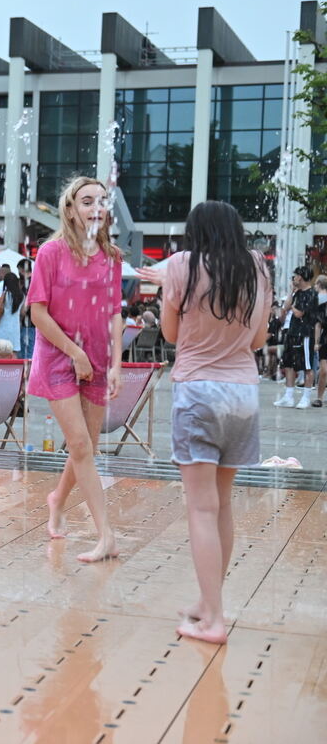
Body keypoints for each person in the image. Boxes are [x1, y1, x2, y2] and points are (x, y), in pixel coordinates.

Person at [157, 200, 270, 645]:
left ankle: (214, 621)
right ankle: (209, 603)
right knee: (222, 504)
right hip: (243, 394)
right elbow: (259, 337)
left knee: (201, 509)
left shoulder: (181, 265)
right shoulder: (257, 267)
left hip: (198, 392)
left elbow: (169, 334)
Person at [26, 175, 123, 564]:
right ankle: (106, 536)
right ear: (70, 209)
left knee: (88, 445)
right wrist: (74, 353)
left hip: (98, 359)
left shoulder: (112, 257)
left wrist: (116, 364)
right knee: (81, 445)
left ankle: (57, 499)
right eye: (86, 201)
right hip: (58, 359)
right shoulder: (50, 253)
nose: (95, 207)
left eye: (101, 201)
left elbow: (116, 313)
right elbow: (37, 313)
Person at [274, 265, 316, 408]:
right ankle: (288, 396)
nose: (294, 278)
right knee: (288, 364)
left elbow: (298, 313)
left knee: (307, 366)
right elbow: (285, 307)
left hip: (304, 334)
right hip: (292, 332)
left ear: (302, 277)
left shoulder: (311, 294)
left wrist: (291, 306)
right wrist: (291, 293)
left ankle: (305, 397)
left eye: (296, 275)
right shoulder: (297, 293)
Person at [0, 272, 24, 358]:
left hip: (3, 326)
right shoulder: (22, 296)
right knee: (13, 352)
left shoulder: (5, 294)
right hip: (15, 327)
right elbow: (22, 312)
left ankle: (0, 371)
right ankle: (14, 371)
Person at [17, 258, 35, 357]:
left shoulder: (29, 283)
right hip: (34, 322)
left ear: (22, 270)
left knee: (26, 354)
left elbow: (27, 302)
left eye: (19, 270)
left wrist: (21, 316)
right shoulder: (36, 280)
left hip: (28, 323)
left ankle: (27, 373)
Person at [314, 275, 327, 407]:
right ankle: (319, 397)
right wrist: (316, 342)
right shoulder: (322, 307)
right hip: (325, 340)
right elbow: (318, 325)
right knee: (324, 370)